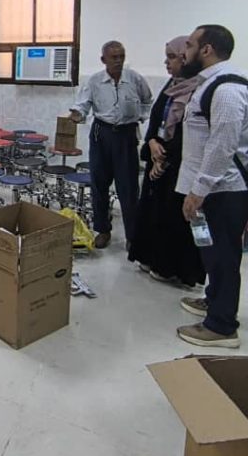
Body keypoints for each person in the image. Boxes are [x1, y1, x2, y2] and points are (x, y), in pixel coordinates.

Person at [176, 24, 248, 349]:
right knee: (210, 251)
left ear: (206, 49)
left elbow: (223, 146)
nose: (185, 52)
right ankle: (213, 299)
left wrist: (199, 191)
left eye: (190, 45)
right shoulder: (211, 83)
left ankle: (222, 327)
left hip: (222, 191)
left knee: (222, 256)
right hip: (210, 189)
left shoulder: (226, 90)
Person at [128, 37, 205, 287]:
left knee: (175, 218)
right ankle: (149, 257)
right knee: (152, 212)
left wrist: (165, 158)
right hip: (157, 159)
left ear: (186, 58)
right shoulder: (172, 85)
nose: (166, 62)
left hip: (180, 167)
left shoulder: (200, 90)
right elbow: (156, 119)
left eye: (172, 57)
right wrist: (151, 143)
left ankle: (171, 268)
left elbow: (193, 134)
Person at [69, 41, 153, 249]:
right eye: (114, 57)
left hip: (126, 135)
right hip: (102, 134)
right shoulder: (95, 81)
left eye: (121, 56)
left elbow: (148, 100)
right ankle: (102, 230)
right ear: (103, 59)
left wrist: (141, 116)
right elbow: (82, 105)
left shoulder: (134, 79)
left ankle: (132, 236)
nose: (118, 61)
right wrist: (78, 114)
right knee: (99, 184)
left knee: (128, 187)